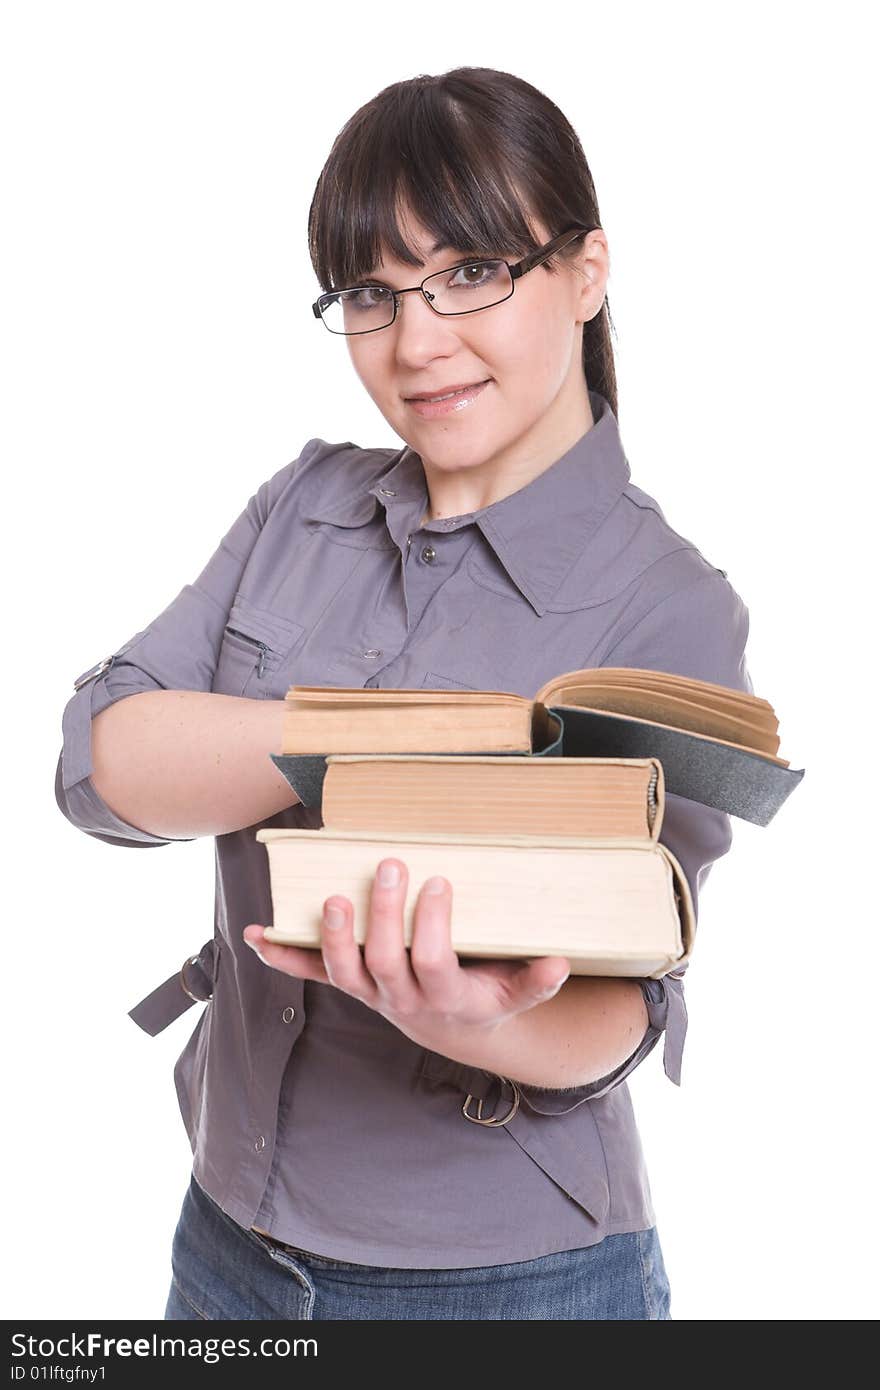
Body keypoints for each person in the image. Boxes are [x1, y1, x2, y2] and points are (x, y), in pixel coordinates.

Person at [55, 66, 753, 1321]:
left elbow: (635, 996)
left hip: (510, 1285)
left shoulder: (674, 606)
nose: (415, 342)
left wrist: (474, 1021)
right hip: (225, 1246)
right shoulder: (303, 503)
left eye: (471, 272)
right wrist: (409, 741)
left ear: (586, 271)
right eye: (373, 293)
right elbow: (104, 762)